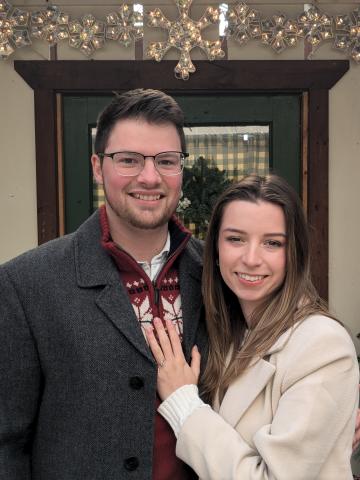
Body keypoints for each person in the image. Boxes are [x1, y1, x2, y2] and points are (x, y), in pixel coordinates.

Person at [0, 89, 207, 479]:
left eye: (166, 161)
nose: (149, 176)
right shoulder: (25, 285)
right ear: (97, 167)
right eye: (128, 160)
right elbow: (7, 442)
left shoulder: (219, 274)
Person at [146, 174, 360, 480]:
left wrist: (184, 404)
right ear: (215, 249)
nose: (250, 258)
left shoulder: (322, 345)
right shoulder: (226, 332)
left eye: (272, 243)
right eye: (235, 239)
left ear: (294, 254)